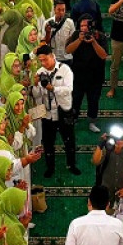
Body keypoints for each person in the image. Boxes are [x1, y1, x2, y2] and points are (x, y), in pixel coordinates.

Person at [34, 44, 77, 179]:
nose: (43, 63)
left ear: (52, 57)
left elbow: (69, 89)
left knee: (69, 140)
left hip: (64, 111)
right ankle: (50, 167)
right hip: (47, 113)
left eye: (45, 59)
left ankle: (72, 164)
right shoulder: (40, 72)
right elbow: (36, 95)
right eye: (40, 60)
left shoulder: (65, 70)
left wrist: (53, 89)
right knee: (48, 142)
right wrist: (35, 84)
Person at [67, 16, 107, 134]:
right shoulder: (76, 35)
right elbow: (68, 50)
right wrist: (79, 40)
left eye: (86, 25)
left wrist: (94, 42)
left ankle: (92, 121)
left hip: (95, 76)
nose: (84, 28)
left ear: (92, 25)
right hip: (78, 75)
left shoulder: (100, 36)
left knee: (93, 100)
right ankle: (74, 118)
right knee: (76, 99)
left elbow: (103, 55)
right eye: (82, 26)